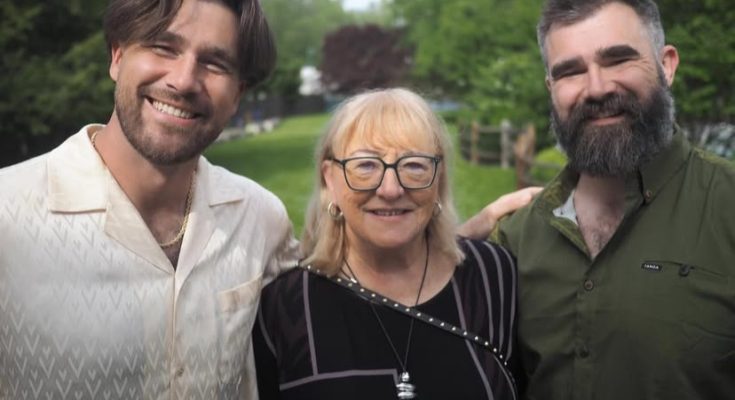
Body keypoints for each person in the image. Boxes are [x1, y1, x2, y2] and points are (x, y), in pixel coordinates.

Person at [0, 0, 299, 398]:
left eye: (215, 63)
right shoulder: (8, 215)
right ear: (117, 56)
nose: (184, 80)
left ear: (237, 94)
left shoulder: (260, 218)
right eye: (163, 47)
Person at [461, 1, 735, 399]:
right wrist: (447, 249)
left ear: (667, 65)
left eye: (618, 60)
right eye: (570, 71)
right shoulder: (516, 240)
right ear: (551, 89)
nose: (597, 88)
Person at [253, 88, 520, 399]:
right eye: (366, 166)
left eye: (414, 165)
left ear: (439, 177)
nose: (391, 189)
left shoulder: (495, 277)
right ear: (330, 179)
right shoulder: (283, 309)